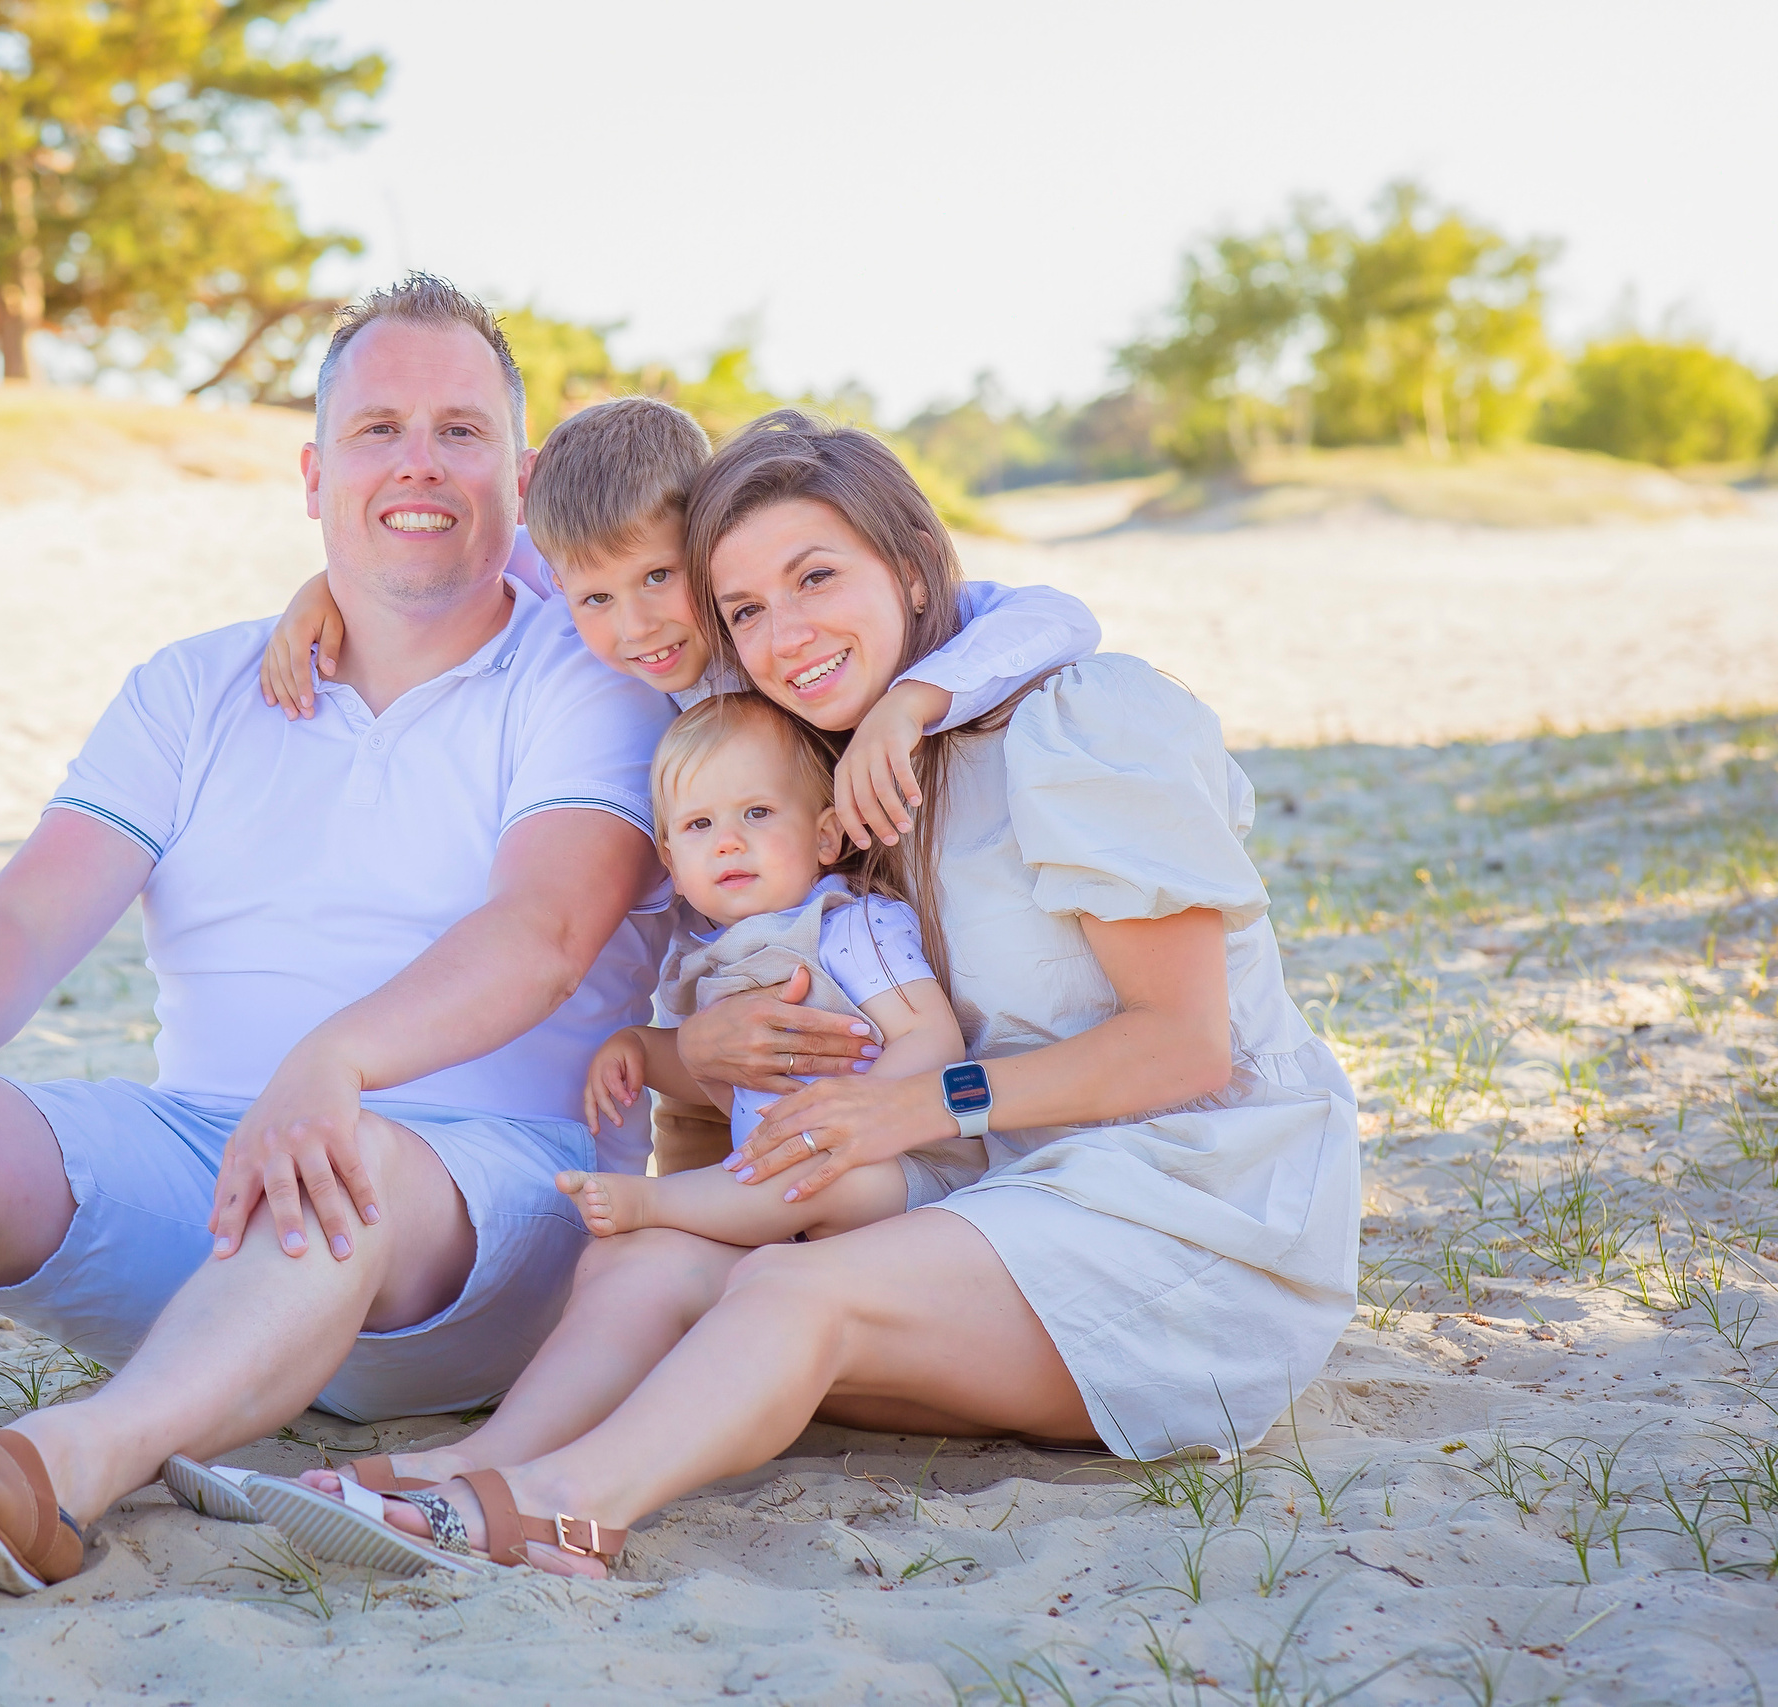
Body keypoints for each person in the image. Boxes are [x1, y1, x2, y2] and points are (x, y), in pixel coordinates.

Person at [0, 273, 683, 1592]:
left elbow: (544, 926)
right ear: (314, 469)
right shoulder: (195, 684)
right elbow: (32, 910)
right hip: (215, 1178)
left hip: (485, 1209)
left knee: (339, 1152)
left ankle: (63, 1467)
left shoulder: (590, 670)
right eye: (379, 429)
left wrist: (333, 1062)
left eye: (460, 430)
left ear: (524, 473)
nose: (417, 463)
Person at [237, 410, 1360, 1579]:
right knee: (644, 1263)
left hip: (1187, 1216)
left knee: (786, 1286)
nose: (784, 632)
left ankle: (564, 1506)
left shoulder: (1081, 720)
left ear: (915, 566)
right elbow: (563, 560)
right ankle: (477, 1464)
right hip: (981, 1194)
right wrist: (329, 591)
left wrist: (910, 1108)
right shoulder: (810, 765)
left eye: (815, 576)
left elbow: (1183, 1050)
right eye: (746, 609)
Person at [262, 394, 1104, 1175]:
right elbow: (475, 565)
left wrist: (906, 708)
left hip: (861, 974)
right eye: (595, 598)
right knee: (698, 1207)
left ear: (706, 546)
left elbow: (1055, 616)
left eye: (662, 579)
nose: (637, 627)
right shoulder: (586, 587)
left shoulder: (783, 632)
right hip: (712, 1003)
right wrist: (326, 590)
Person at [556, 691, 977, 1247]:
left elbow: (931, 1036)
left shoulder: (847, 926)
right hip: (792, 1191)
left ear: (825, 836)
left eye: (757, 813)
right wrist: (642, 1049)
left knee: (816, 1179)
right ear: (672, 866)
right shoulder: (708, 961)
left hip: (905, 1168)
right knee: (791, 1181)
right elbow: (727, 1077)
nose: (728, 842)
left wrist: (852, 1111)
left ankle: (655, 1200)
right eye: (699, 824)